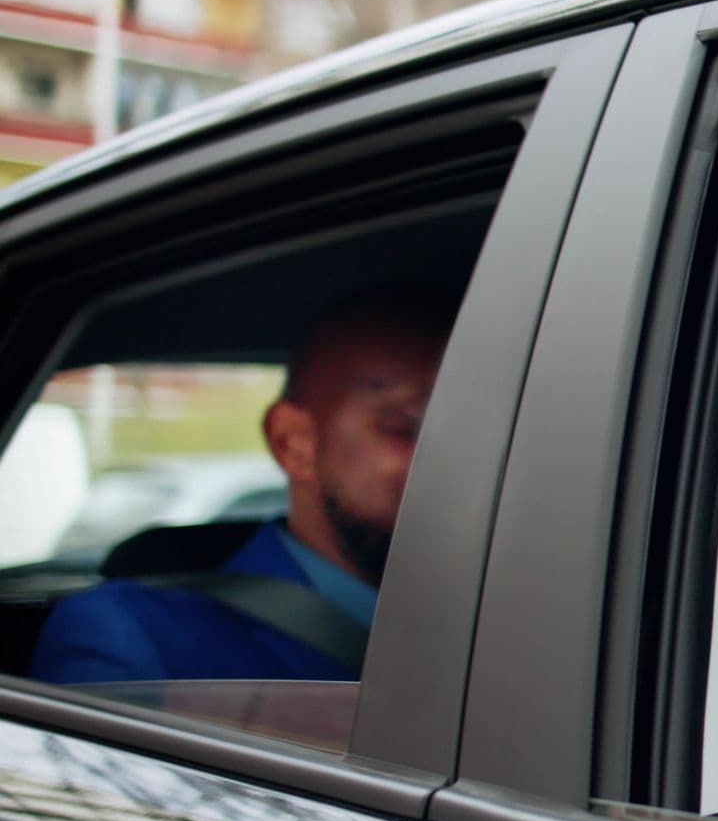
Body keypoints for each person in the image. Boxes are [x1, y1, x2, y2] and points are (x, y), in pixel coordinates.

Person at [30, 287, 454, 684]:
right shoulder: (138, 642)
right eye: (411, 423)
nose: (463, 452)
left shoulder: (507, 622)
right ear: (296, 444)